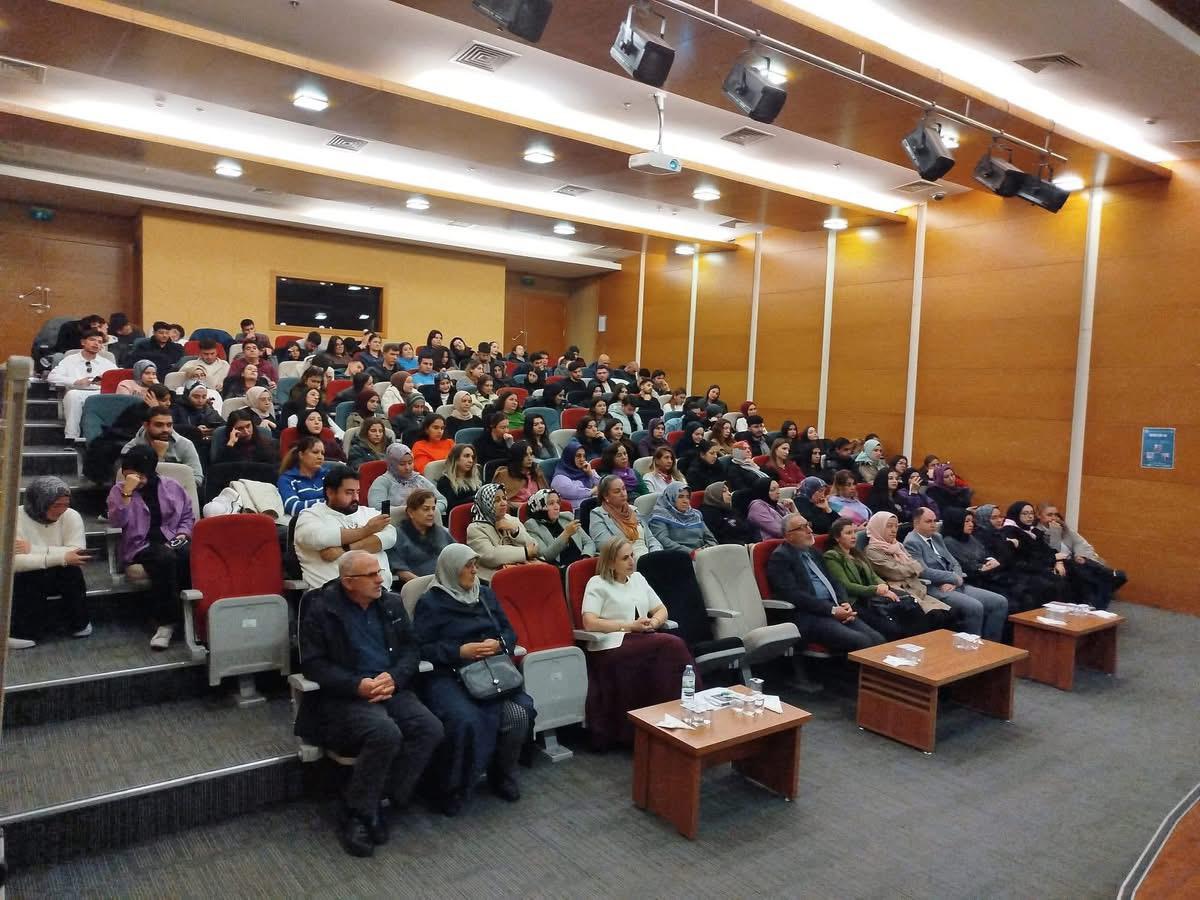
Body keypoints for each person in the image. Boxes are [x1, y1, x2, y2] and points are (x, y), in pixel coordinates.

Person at [295, 550, 442, 856]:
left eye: (380, 572)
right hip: (345, 696)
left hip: (389, 687)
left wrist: (395, 677)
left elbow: (412, 649)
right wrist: (356, 685)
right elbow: (313, 664)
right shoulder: (321, 609)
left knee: (430, 728)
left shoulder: (390, 603)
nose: (380, 579)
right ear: (349, 582)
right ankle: (359, 815)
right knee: (385, 733)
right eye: (372, 574)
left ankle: (375, 799)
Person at [412, 545, 535, 815]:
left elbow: (509, 632)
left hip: (491, 670)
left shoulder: (485, 595)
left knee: (520, 711)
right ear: (452, 569)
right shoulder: (431, 603)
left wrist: (499, 644)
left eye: (474, 565)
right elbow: (419, 648)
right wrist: (459, 651)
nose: (474, 571)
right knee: (465, 719)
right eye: (468, 566)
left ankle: (501, 774)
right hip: (450, 673)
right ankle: (452, 786)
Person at [580, 538, 696, 750]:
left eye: (632, 555)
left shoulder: (638, 578)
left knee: (670, 650)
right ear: (611, 562)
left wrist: (654, 622)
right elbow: (590, 622)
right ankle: (680, 715)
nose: (632, 561)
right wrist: (628, 626)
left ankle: (672, 718)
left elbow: (661, 609)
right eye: (625, 558)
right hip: (610, 644)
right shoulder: (597, 583)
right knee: (673, 645)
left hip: (642, 639)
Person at [106, 446, 194, 649]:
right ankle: (167, 622)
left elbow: (187, 516)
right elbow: (117, 522)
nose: (133, 479)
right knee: (165, 559)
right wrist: (127, 493)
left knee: (188, 555)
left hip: (172, 538)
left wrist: (182, 534)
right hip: (141, 545)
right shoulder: (119, 491)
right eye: (128, 474)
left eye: (138, 475)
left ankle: (193, 614)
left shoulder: (171, 486)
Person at [766, 513, 884, 651]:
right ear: (789, 535)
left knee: (878, 639)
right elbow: (793, 595)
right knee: (861, 642)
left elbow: (834, 581)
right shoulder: (780, 557)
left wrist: (844, 603)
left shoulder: (813, 552)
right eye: (802, 528)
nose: (810, 530)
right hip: (809, 615)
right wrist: (831, 610)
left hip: (833, 609)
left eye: (808, 525)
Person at [905, 507, 1008, 640]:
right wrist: (953, 577)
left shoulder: (936, 537)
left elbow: (954, 562)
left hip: (954, 583)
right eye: (928, 521)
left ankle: (992, 645)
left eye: (935, 521)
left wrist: (956, 578)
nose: (933, 524)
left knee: (1000, 602)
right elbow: (923, 571)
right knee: (975, 607)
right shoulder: (911, 542)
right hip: (934, 587)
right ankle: (970, 647)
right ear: (916, 523)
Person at [11, 477, 92, 647]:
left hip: (58, 572)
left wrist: (32, 549)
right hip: (24, 575)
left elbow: (77, 553)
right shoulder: (14, 517)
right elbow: (14, 562)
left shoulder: (71, 516)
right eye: (56, 505)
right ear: (39, 502)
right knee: (28, 574)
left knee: (71, 570)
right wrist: (61, 556)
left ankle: (79, 623)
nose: (62, 510)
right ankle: (20, 631)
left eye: (65, 504)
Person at [822, 517, 931, 640]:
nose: (853, 536)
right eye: (848, 533)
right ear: (837, 537)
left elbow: (873, 575)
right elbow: (845, 585)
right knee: (893, 628)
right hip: (857, 602)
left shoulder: (856, 553)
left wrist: (883, 586)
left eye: (854, 532)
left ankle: (924, 643)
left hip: (873, 596)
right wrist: (875, 590)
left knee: (912, 606)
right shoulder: (832, 556)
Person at [295, 464, 396, 591]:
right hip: (331, 596)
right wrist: (368, 530)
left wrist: (344, 549)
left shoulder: (369, 513)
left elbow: (390, 537)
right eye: (349, 492)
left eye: (357, 492)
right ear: (330, 493)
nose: (356, 498)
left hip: (380, 594)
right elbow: (320, 539)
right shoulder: (310, 516)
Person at [861, 512, 956, 628]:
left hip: (918, 589)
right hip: (901, 593)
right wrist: (912, 567)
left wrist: (911, 567)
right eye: (889, 526)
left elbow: (919, 567)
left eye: (896, 526)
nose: (894, 530)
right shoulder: (872, 551)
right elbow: (896, 573)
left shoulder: (898, 546)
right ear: (878, 527)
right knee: (936, 617)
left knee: (951, 614)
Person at [1036, 503, 1124, 609]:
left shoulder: (1065, 530)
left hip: (1076, 562)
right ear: (1039, 516)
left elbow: (1082, 545)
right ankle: (1108, 578)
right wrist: (1055, 533)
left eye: (1056, 515)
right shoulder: (1037, 532)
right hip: (1059, 565)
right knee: (1095, 578)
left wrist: (1080, 555)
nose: (1054, 518)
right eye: (1049, 515)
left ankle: (1103, 589)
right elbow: (1054, 552)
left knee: (1087, 568)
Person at [49, 328, 117, 441]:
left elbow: (118, 377)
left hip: (99, 393)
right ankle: (71, 437)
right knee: (73, 396)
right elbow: (52, 377)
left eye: (100, 342)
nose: (96, 344)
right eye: (92, 340)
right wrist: (75, 381)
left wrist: (106, 381)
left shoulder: (106, 362)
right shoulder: (70, 360)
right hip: (77, 392)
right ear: (83, 342)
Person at [465, 483, 540, 581]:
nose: (504, 503)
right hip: (494, 578)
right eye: (497, 500)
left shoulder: (512, 520)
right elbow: (491, 556)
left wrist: (515, 531)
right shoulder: (475, 528)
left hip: (520, 571)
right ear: (486, 503)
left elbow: (534, 547)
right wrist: (525, 552)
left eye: (504, 498)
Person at [1000, 501, 1069, 604]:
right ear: (1016, 514)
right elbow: (1024, 557)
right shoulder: (1010, 531)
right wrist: (1053, 559)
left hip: (1040, 565)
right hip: (1021, 572)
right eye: (1025, 513)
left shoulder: (1033, 531)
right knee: (1054, 582)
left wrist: (1059, 561)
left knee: (1075, 569)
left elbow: (1047, 550)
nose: (1030, 516)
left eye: (1031, 513)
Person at [122, 407, 205, 487]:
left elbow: (197, 478)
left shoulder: (185, 444)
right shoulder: (131, 448)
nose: (165, 429)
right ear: (146, 425)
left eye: (169, 425)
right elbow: (124, 479)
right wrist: (158, 456)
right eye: (159, 425)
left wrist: (172, 489)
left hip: (178, 493)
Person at [386, 489, 453, 583]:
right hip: (419, 585)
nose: (431, 513)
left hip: (450, 582)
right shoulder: (397, 536)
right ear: (411, 512)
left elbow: (458, 555)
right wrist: (431, 585)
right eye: (426, 509)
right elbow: (403, 573)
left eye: (433, 509)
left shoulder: (440, 531)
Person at [589, 474, 662, 559]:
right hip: (625, 560)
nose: (623, 494)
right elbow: (605, 546)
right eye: (617, 491)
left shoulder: (633, 510)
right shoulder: (598, 514)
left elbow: (651, 538)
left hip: (648, 557)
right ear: (606, 496)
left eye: (624, 489)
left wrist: (655, 554)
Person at [523, 488, 596, 568]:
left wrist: (586, 557)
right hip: (559, 569)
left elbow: (589, 542)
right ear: (539, 506)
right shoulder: (531, 526)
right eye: (551, 503)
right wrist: (566, 534)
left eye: (558, 502)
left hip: (581, 564)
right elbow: (545, 556)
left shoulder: (567, 517)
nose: (557, 507)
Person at [368, 443, 442, 516]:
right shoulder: (383, 481)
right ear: (392, 464)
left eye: (410, 463)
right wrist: (409, 511)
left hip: (422, 520)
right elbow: (377, 506)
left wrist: (428, 510)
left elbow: (441, 500)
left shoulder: (419, 479)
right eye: (402, 464)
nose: (407, 468)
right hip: (393, 521)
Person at [648, 482, 717, 552]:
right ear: (670, 497)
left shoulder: (696, 514)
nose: (685, 501)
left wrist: (707, 550)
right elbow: (663, 540)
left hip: (702, 553)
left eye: (688, 497)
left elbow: (710, 539)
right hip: (677, 555)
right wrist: (691, 552)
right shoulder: (660, 515)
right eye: (680, 497)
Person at [278, 435, 331, 516]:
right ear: (301, 455)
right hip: (305, 519)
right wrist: (328, 502)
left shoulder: (328, 475)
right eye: (315, 452)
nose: (320, 457)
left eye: (322, 453)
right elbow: (293, 507)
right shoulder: (286, 479)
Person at [213, 408, 278, 466]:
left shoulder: (265, 444)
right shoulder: (226, 446)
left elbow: (272, 468)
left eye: (248, 426)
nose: (246, 432)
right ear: (232, 430)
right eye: (240, 428)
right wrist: (231, 443)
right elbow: (218, 469)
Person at [171, 379, 224, 448]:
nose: (200, 400)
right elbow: (170, 427)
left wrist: (213, 430)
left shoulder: (208, 408)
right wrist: (194, 430)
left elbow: (223, 425)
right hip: (183, 445)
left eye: (204, 397)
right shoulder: (176, 408)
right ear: (187, 396)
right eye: (196, 397)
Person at [492, 440, 547, 504]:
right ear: (517, 456)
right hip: (515, 509)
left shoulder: (536, 472)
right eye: (525, 455)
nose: (530, 458)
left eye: (531, 454)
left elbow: (546, 495)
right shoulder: (505, 475)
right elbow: (500, 502)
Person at [436, 444, 481, 511]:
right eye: (466, 456)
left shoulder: (476, 479)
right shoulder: (445, 481)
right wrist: (475, 498)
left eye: (472, 457)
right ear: (455, 459)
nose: (471, 460)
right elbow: (450, 505)